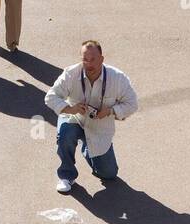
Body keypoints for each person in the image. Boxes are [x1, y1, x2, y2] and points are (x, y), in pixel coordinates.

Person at [45, 39, 138, 194]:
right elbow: (50, 97)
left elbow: (132, 104)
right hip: (74, 118)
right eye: (85, 60)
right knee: (65, 134)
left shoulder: (118, 78)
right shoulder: (70, 74)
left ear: (102, 59)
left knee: (109, 174)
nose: (89, 64)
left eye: (93, 59)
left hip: (99, 129)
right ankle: (66, 175)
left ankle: (87, 149)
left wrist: (111, 111)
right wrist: (70, 108)